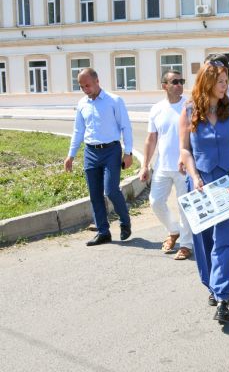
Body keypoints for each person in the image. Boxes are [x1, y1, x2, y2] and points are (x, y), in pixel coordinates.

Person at [179, 61, 229, 324]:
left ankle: (222, 295)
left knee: (225, 241)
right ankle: (213, 284)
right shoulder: (188, 111)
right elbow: (184, 150)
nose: (225, 86)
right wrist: (194, 176)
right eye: (220, 81)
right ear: (206, 83)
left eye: (226, 81)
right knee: (204, 241)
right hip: (200, 184)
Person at [64, 68, 133, 246]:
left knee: (110, 190)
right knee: (95, 194)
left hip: (111, 151)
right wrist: (70, 155)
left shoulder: (114, 101)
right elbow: (78, 130)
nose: (85, 89)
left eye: (87, 85)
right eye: (81, 86)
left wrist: (128, 152)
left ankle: (125, 221)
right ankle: (103, 232)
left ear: (97, 81)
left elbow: (125, 126)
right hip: (91, 152)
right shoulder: (82, 104)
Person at [139, 70, 192, 260]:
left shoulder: (190, 106)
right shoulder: (157, 109)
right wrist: (145, 165)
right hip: (162, 166)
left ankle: (186, 244)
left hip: (184, 167)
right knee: (155, 202)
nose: (179, 84)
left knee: (185, 206)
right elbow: (151, 138)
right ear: (164, 86)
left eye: (181, 81)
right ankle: (173, 230)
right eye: (174, 82)